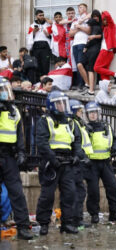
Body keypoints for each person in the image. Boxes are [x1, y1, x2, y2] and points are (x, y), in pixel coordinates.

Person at [36, 91, 82, 235]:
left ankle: (67, 224)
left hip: (67, 162)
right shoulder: (45, 120)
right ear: (52, 105)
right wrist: (52, 159)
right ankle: (43, 224)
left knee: (70, 194)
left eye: (64, 103)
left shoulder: (69, 121)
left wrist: (76, 155)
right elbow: (42, 142)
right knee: (47, 195)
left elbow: (77, 141)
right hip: (51, 162)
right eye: (59, 103)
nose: (62, 106)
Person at [0, 76, 33, 239]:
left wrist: (21, 152)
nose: (6, 94)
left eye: (6, 91)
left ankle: (22, 227)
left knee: (17, 192)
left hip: (8, 155)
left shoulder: (14, 111)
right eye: (2, 91)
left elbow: (20, 136)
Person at [84, 101, 116, 224]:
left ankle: (114, 213)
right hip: (92, 163)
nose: (93, 115)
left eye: (94, 112)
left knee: (113, 188)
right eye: (90, 113)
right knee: (93, 191)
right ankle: (94, 214)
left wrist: (115, 148)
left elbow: (115, 139)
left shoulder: (106, 126)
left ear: (98, 113)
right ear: (87, 115)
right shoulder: (86, 128)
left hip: (106, 162)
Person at [68, 99, 93, 227]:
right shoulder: (73, 123)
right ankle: (75, 219)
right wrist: (82, 156)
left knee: (80, 190)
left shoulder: (79, 123)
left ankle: (76, 218)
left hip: (81, 161)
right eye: (79, 111)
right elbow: (76, 144)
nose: (81, 113)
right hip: (77, 161)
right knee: (78, 190)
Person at [93, 11, 116, 94]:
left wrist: (103, 12)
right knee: (104, 72)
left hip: (106, 50)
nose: (104, 21)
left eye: (105, 20)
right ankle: (106, 91)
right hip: (106, 51)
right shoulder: (104, 28)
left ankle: (115, 75)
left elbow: (109, 18)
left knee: (96, 68)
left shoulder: (111, 26)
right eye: (103, 20)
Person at [69, 3, 90, 91]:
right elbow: (70, 34)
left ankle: (84, 84)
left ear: (85, 9)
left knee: (81, 64)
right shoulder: (75, 20)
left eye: (81, 7)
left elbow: (89, 31)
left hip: (83, 43)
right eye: (78, 8)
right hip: (75, 44)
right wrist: (78, 28)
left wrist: (79, 26)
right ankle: (80, 83)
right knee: (77, 64)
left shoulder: (88, 18)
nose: (79, 9)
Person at [26, 10, 52, 81]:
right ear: (36, 16)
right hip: (36, 47)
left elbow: (52, 36)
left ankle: (46, 81)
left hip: (45, 47)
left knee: (45, 64)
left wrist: (48, 35)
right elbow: (28, 37)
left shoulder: (48, 25)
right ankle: (37, 81)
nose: (42, 17)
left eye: (43, 15)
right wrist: (33, 32)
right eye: (40, 15)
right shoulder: (32, 26)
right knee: (36, 65)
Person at [83, 10, 102, 95]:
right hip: (93, 48)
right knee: (91, 69)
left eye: (96, 16)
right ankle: (91, 88)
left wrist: (86, 47)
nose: (95, 18)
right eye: (93, 17)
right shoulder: (98, 26)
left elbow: (99, 36)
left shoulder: (96, 27)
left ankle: (91, 89)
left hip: (93, 49)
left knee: (90, 69)